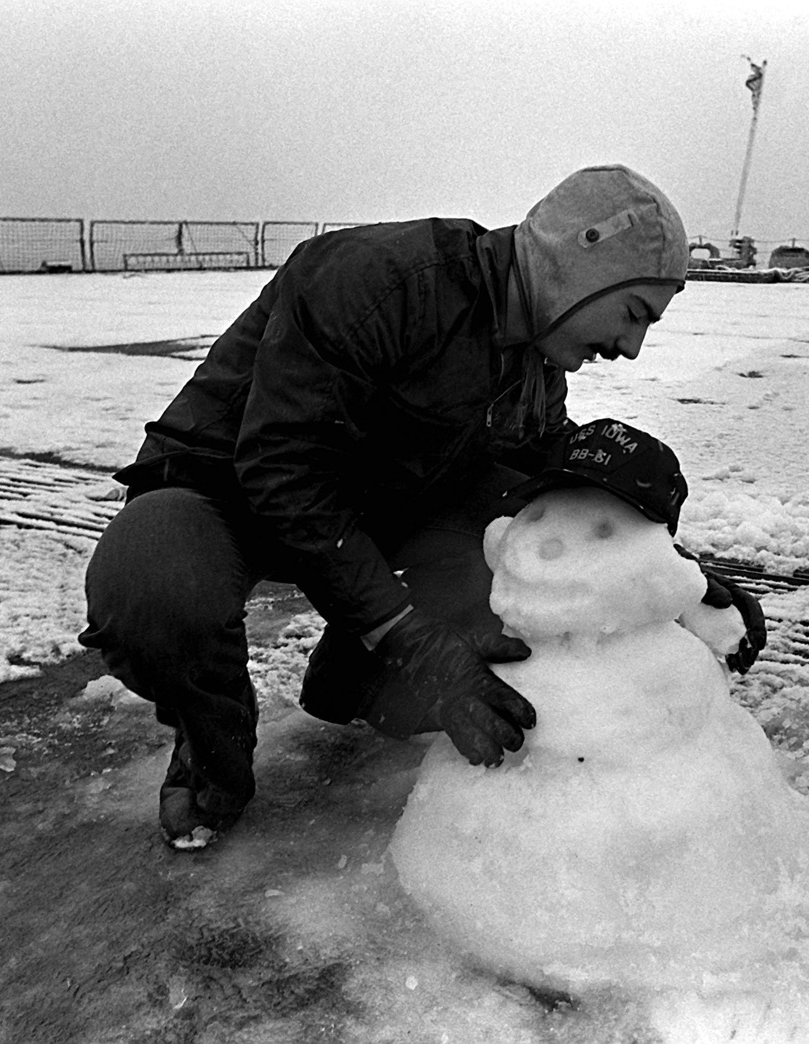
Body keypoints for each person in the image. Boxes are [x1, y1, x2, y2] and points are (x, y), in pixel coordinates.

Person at [79, 165, 766, 850]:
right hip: (222, 495)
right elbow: (284, 471)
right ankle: (211, 744)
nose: (630, 347)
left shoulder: (532, 366)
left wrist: (670, 576)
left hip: (364, 517)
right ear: (585, 262)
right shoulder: (380, 282)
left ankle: (355, 678)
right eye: (634, 313)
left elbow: (548, 492)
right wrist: (408, 635)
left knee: (510, 593)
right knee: (156, 589)